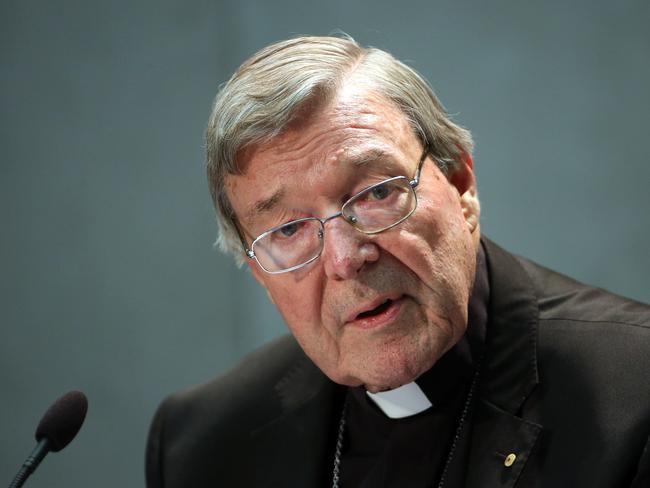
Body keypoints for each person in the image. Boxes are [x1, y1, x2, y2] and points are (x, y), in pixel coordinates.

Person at [146, 35, 650, 487]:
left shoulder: (634, 396)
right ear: (257, 270)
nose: (346, 259)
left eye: (376, 192)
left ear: (460, 185)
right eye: (289, 229)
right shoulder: (202, 446)